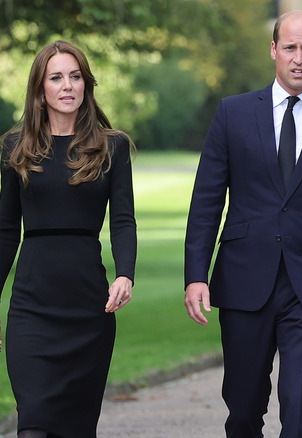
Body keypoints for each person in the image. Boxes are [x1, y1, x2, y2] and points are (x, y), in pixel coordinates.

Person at [183, 10, 302, 438]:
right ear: (273, 51)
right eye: (290, 48)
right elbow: (207, 201)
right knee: (245, 410)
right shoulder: (232, 113)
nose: (298, 58)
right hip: (243, 279)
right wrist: (196, 275)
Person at [0, 40, 136, 438]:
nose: (67, 86)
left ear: (86, 84)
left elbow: (123, 221)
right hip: (31, 307)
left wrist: (125, 274)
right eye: (56, 77)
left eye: (75, 76)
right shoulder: (15, 147)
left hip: (87, 309)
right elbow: (6, 230)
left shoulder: (111, 147)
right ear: (40, 88)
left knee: (75, 430)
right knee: (33, 427)